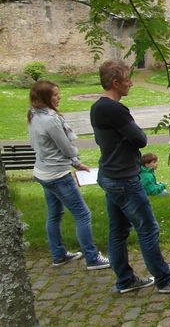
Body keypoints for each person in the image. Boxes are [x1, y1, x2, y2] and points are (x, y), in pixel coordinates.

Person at [91, 60, 170, 294]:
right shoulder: (114, 109)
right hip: (124, 178)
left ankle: (125, 280)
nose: (131, 83)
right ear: (116, 82)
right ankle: (165, 280)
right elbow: (140, 139)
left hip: (109, 174)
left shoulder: (97, 107)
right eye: (128, 79)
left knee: (117, 231)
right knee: (147, 228)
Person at [27, 80, 110, 270]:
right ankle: (92, 258)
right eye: (55, 95)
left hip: (42, 172)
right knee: (83, 214)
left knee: (55, 214)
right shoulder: (50, 119)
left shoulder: (34, 115)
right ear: (45, 98)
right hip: (57, 174)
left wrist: (74, 163)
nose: (59, 98)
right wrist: (76, 162)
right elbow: (65, 147)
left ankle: (59, 255)